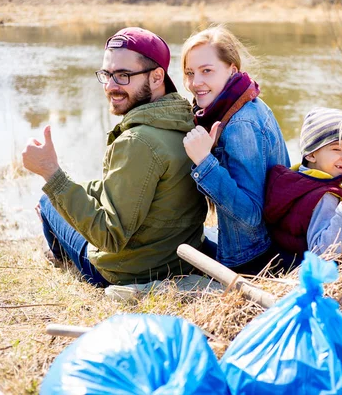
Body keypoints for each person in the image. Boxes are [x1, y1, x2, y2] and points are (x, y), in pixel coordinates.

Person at [21, 27, 207, 287]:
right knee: (67, 195)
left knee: (48, 200)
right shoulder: (182, 118)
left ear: (156, 77)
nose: (110, 86)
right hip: (175, 259)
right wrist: (74, 188)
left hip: (129, 272)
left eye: (123, 75)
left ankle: (60, 259)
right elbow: (129, 191)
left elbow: (110, 237)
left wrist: (51, 174)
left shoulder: (138, 142)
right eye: (107, 74)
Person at [181, 26, 290, 274]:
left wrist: (204, 162)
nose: (195, 83)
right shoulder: (243, 100)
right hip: (261, 246)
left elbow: (251, 215)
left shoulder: (240, 124)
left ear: (232, 69)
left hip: (252, 261)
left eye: (206, 71)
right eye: (189, 73)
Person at [264, 107, 342, 265]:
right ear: (310, 154)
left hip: (284, 255)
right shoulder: (326, 196)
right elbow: (321, 254)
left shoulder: (291, 178)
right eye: (337, 149)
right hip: (308, 268)